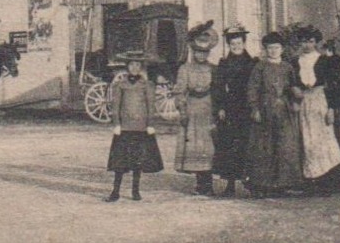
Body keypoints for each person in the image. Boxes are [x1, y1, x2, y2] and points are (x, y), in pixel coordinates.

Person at [291, 28, 340, 194]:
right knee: (307, 139)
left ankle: (328, 182)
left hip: (320, 101)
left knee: (324, 140)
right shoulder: (295, 62)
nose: (307, 45)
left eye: (310, 41)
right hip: (304, 102)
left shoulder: (325, 61)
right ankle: (310, 180)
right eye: (303, 41)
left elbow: (333, 86)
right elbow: (291, 83)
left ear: (316, 42)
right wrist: (295, 92)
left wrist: (331, 109)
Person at [245, 31, 303, 196]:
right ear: (266, 49)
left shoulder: (288, 67)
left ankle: (282, 184)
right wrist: (255, 108)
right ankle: (263, 185)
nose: (273, 51)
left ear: (282, 49)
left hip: (284, 110)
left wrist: (295, 100)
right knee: (265, 146)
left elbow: (294, 86)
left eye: (276, 47)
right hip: (265, 109)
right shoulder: (260, 67)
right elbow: (252, 88)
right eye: (270, 48)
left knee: (285, 145)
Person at [105, 50, 163, 201]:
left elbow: (151, 106)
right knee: (120, 162)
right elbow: (115, 105)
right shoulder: (120, 85)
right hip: (124, 128)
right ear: (127, 66)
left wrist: (150, 124)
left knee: (138, 161)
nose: (135, 67)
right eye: (132, 64)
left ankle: (135, 191)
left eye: (138, 64)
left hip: (140, 128)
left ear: (141, 67)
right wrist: (116, 123)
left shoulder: (147, 85)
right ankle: (115, 191)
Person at [173, 21, 219, 195]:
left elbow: (219, 91)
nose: (201, 55)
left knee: (208, 148)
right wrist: (182, 110)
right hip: (192, 110)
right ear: (193, 51)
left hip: (208, 110)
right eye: (198, 52)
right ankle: (200, 184)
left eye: (204, 52)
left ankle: (208, 184)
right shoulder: (185, 69)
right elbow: (179, 91)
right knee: (195, 147)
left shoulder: (213, 69)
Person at [210, 24, 255, 196]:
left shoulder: (252, 63)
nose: (236, 47)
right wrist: (220, 106)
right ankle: (229, 184)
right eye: (233, 44)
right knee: (229, 145)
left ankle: (250, 183)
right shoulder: (224, 63)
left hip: (247, 107)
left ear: (244, 43)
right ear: (229, 45)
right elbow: (218, 86)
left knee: (247, 144)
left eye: (239, 43)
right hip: (230, 107)